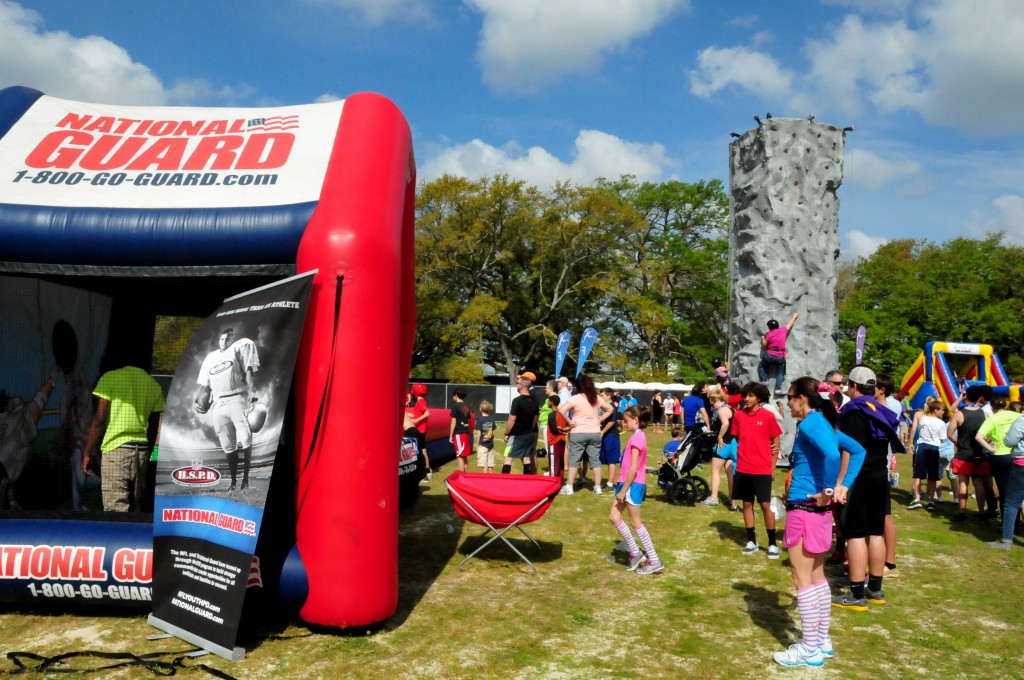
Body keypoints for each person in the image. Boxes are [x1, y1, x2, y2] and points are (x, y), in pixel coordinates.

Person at [773, 377, 865, 668]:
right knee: (817, 579)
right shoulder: (824, 423)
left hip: (805, 510)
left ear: (802, 398)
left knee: (803, 581)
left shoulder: (812, 424)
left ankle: (809, 648)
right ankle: (821, 641)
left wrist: (829, 489)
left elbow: (830, 454)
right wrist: (841, 486)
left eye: (790, 396)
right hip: (816, 513)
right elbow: (858, 450)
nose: (787, 403)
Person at [834, 366, 904, 610]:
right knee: (875, 532)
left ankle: (855, 593)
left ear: (853, 386)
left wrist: (841, 483)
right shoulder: (880, 410)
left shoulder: (853, 412)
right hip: (879, 476)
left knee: (854, 534)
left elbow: (849, 450)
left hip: (860, 477)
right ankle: (875, 588)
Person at [83, 362, 164, 512]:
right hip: (141, 452)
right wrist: (146, 455)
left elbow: (100, 420)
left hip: (116, 451)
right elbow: (153, 428)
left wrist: (87, 453)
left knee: (116, 513)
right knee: (134, 513)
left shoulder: (110, 377)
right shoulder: (153, 384)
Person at [193, 327, 260, 492]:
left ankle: (245, 479)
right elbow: (205, 385)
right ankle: (233, 482)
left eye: (228, 339)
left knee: (245, 439)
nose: (224, 342)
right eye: (222, 339)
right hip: (218, 403)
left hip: (237, 398)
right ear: (219, 339)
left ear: (233, 339)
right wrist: (197, 400)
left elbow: (249, 370)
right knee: (227, 445)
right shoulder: (210, 358)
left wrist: (252, 391)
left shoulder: (239, 347)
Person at [729, 382, 783, 555]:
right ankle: (751, 541)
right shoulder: (738, 416)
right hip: (743, 467)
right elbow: (738, 438)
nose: (746, 399)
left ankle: (772, 543)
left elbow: (776, 441)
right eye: (745, 395)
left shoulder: (768, 416)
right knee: (746, 504)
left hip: (762, 469)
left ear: (759, 397)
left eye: (751, 396)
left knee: (765, 505)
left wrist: (772, 467)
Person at [609, 406, 664, 575]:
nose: (623, 424)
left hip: (632, 485)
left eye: (626, 421)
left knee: (636, 522)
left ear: (636, 420)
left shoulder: (638, 438)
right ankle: (635, 552)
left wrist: (623, 490)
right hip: (625, 483)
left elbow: (633, 469)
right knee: (614, 516)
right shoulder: (635, 436)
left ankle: (654, 560)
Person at [0, 368, 59, 509]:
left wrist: (52, 379)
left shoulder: (20, 420)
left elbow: (40, 398)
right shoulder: (11, 420)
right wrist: (52, 380)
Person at [947, 385, 992, 523]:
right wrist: (983, 443)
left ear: (966, 396)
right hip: (979, 453)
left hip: (964, 454)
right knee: (979, 484)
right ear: (980, 398)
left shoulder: (959, 414)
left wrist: (959, 443)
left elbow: (949, 434)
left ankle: (962, 512)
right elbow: (990, 435)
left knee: (963, 483)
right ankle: (981, 512)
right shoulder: (985, 415)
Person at [558, 373, 605, 494]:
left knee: (574, 460)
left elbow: (562, 410)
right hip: (595, 432)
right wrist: (600, 419)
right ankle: (597, 486)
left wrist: (569, 422)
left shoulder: (575, 398)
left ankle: (569, 486)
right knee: (595, 460)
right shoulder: (596, 398)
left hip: (578, 431)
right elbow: (610, 409)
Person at [975, 397, 1020, 521]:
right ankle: (1016, 523)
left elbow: (979, 437)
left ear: (991, 407)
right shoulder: (1016, 416)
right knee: (1017, 489)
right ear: (1006, 406)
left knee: (1004, 491)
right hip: (1016, 454)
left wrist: (990, 449)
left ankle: (1007, 523)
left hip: (1000, 456)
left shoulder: (992, 419)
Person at [987, 413, 1024, 550]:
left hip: (1021, 465)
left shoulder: (1021, 421)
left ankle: (1006, 540)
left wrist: (1009, 433)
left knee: (1011, 502)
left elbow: (1009, 441)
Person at [701, 386, 737, 509]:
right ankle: (732, 497)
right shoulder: (732, 409)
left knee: (715, 470)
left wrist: (720, 437)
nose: (712, 407)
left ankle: (714, 497)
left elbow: (725, 424)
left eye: (712, 404)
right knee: (729, 471)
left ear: (716, 401)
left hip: (723, 444)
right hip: (732, 444)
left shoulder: (721, 411)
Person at [908, 399, 947, 509]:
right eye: (942, 410)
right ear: (936, 410)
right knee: (932, 475)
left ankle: (917, 498)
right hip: (933, 447)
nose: (943, 412)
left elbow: (919, 430)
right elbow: (943, 438)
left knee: (918, 474)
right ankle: (930, 500)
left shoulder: (923, 419)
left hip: (922, 446)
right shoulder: (941, 423)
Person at [502, 372, 539, 474]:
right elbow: (534, 420)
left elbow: (512, 419)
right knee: (526, 459)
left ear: (522, 385)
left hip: (516, 434)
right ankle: (528, 481)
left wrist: (507, 433)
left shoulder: (517, 401)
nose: (516, 384)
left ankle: (503, 481)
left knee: (508, 458)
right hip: (529, 434)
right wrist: (529, 430)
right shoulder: (534, 401)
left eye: (517, 383)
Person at [758, 312, 799, 397]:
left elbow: (764, 345)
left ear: (769, 327)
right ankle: (778, 389)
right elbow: (789, 324)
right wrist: (794, 316)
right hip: (780, 355)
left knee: (761, 366)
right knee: (780, 372)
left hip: (770, 354)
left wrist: (763, 338)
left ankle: (764, 381)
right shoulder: (783, 330)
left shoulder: (769, 334)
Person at [599, 388, 623, 492]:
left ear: (609, 396)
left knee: (612, 460)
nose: (601, 397)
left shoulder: (612, 406)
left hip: (611, 436)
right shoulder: (604, 407)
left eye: (602, 395)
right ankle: (608, 482)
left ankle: (610, 483)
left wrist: (602, 431)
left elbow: (612, 422)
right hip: (606, 436)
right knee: (607, 459)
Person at [410, 383, 432, 483]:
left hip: (420, 430)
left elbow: (427, 413)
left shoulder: (420, 401)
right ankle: (427, 470)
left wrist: (416, 420)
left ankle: (425, 473)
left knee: (421, 450)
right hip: (421, 429)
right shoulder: (420, 401)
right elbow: (416, 414)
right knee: (423, 449)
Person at [449, 388, 472, 473]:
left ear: (456, 395)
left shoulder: (455, 406)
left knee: (459, 456)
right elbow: (469, 420)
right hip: (466, 433)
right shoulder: (467, 406)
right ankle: (466, 475)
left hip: (459, 434)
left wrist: (451, 435)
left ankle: (462, 476)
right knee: (464, 456)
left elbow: (453, 422)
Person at [546, 395, 567, 482]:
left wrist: (560, 431)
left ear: (551, 402)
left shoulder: (551, 414)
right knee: (560, 460)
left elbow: (554, 429)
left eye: (548, 401)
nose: (547, 402)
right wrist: (563, 431)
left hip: (554, 440)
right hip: (562, 439)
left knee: (554, 461)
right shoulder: (562, 414)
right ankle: (560, 478)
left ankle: (553, 479)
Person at [474, 400, 496, 474]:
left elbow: (479, 434)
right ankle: (491, 480)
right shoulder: (491, 419)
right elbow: (493, 432)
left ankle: (485, 480)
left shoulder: (479, 420)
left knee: (484, 465)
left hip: (482, 445)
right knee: (490, 465)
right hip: (490, 445)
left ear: (481, 409)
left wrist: (477, 445)